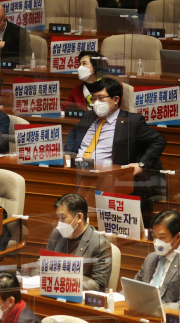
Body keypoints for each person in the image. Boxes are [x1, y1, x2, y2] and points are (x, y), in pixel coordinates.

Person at [63, 78, 166, 219]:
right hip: (76, 172)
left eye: (101, 98)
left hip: (108, 180)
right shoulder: (89, 116)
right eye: (94, 98)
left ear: (115, 99)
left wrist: (142, 164)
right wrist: (68, 153)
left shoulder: (132, 121)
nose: (96, 103)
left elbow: (158, 141)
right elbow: (73, 135)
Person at [46, 193, 112, 292]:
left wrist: (63, 284)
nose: (59, 222)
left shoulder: (99, 244)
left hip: (78, 300)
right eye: (58, 218)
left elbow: (98, 284)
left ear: (79, 217)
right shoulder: (57, 234)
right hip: (53, 293)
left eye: (63, 218)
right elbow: (42, 265)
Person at [133, 210, 180, 303]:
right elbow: (133, 287)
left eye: (162, 237)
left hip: (168, 315)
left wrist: (161, 309)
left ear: (178, 237)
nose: (157, 242)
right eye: (154, 236)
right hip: (142, 311)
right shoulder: (151, 258)